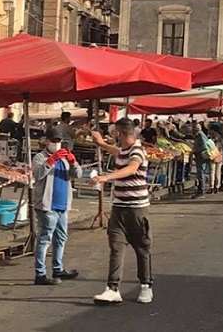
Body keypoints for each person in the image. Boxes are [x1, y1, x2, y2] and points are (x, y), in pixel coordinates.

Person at [90, 118, 153, 305]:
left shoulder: (137, 151)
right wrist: (101, 143)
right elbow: (117, 152)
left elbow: (132, 168)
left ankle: (146, 285)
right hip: (119, 208)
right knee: (116, 247)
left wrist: (106, 177)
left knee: (142, 247)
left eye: (114, 133)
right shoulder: (124, 150)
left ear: (119, 133)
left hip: (136, 209)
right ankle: (113, 288)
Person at [32, 127, 82, 285]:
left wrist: (73, 162)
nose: (56, 143)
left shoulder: (65, 159)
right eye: (53, 140)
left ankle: (58, 268)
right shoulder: (40, 157)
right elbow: (38, 174)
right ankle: (40, 274)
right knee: (45, 238)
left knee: (61, 238)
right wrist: (51, 160)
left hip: (62, 205)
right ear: (46, 141)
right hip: (47, 205)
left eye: (58, 141)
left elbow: (78, 175)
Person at [192, 123, 209, 199]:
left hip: (201, 157)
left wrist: (195, 150)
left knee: (201, 173)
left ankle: (201, 191)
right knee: (200, 173)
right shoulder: (199, 135)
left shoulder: (200, 135)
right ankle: (200, 190)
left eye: (195, 127)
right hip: (200, 156)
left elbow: (204, 147)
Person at [208, 126, 223, 194]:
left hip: (213, 155)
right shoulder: (221, 138)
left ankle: (211, 187)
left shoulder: (211, 138)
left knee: (212, 171)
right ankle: (217, 186)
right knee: (218, 172)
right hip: (220, 155)